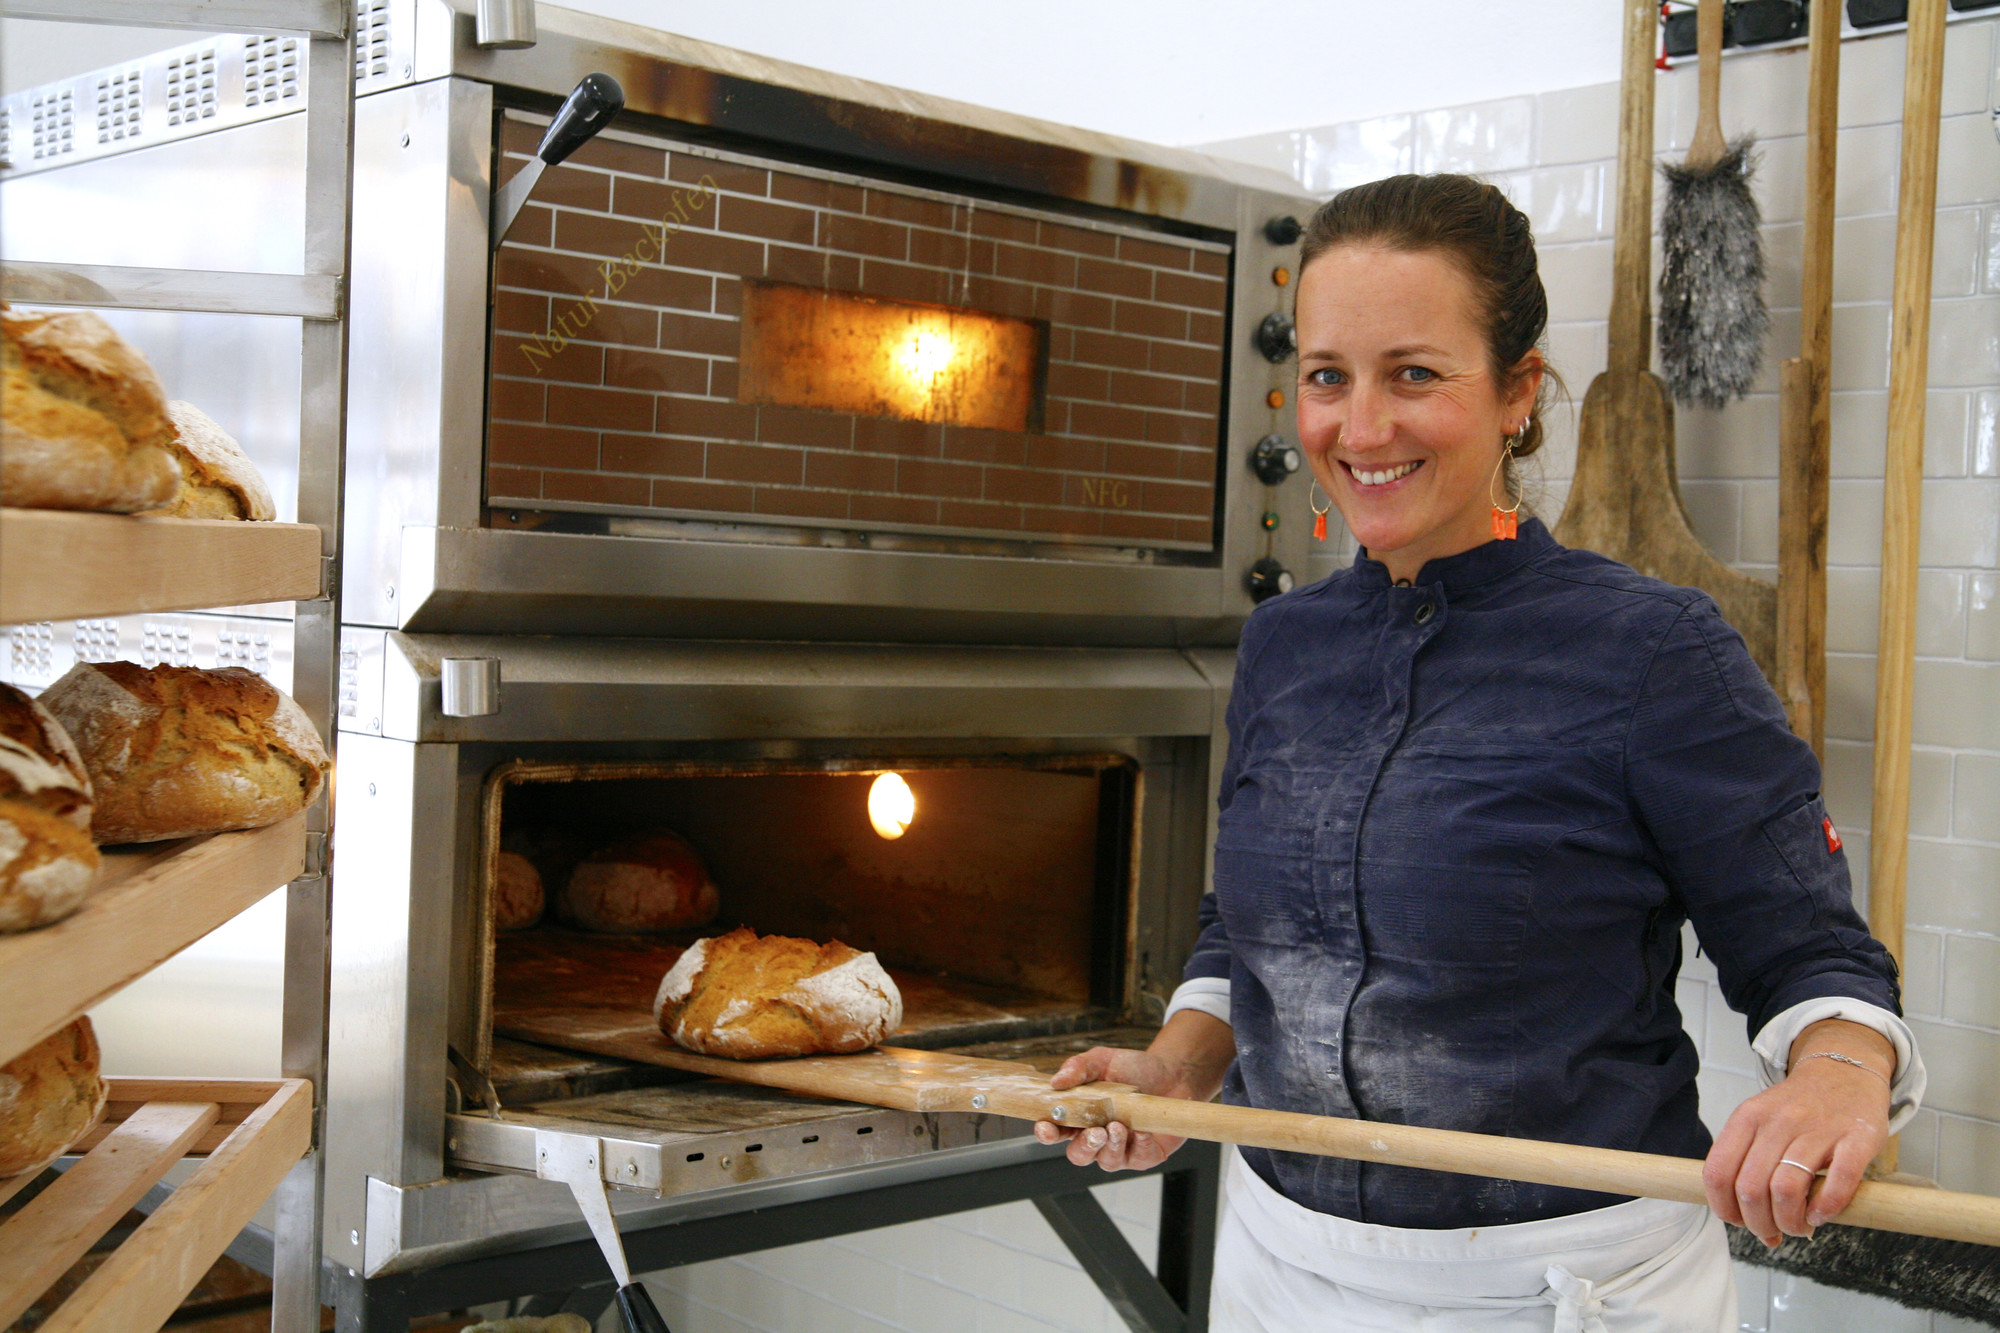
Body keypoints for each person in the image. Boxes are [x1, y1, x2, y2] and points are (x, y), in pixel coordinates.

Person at [1033, 174, 1925, 1332]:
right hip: (1275, 1266)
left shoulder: (1652, 651)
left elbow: (1812, 956)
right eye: (1325, 378)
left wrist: (1834, 1079)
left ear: (1516, 391)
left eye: (1413, 373)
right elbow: (1241, 933)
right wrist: (1179, 1067)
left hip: (1554, 1285)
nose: (1358, 429)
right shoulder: (1283, 647)